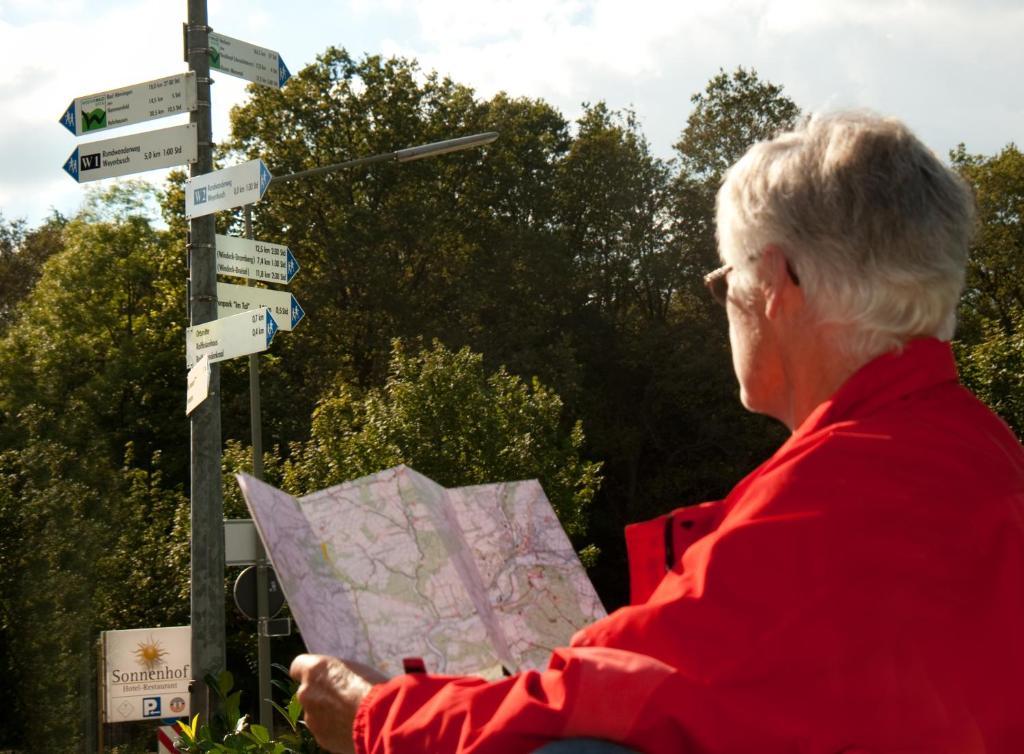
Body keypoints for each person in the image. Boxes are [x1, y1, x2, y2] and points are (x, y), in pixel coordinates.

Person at [290, 111, 1024, 754]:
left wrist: (372, 713)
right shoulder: (981, 459)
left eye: (721, 280)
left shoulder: (829, 498)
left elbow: (594, 704)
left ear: (773, 281)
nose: (725, 304)